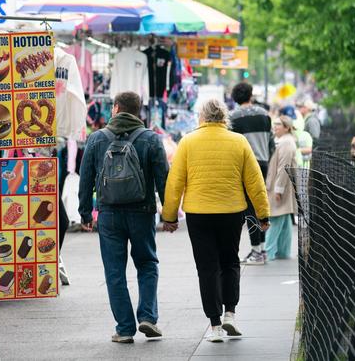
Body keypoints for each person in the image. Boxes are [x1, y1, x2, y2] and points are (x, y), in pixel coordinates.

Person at [162, 99, 270, 343]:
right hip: (232, 212)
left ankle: (215, 326)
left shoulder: (188, 142)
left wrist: (169, 217)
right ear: (224, 117)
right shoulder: (239, 141)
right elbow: (255, 183)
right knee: (230, 261)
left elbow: (175, 182)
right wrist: (262, 215)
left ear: (201, 117)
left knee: (207, 268)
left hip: (199, 214)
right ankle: (230, 313)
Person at [78, 91, 169, 343]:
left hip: (109, 215)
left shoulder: (97, 139)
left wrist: (86, 213)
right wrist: (169, 216)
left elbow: (85, 180)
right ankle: (148, 317)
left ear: (115, 108)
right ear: (138, 111)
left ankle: (125, 328)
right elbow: (164, 180)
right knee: (147, 264)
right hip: (142, 212)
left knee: (114, 271)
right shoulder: (151, 139)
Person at [229, 82, 274, 265]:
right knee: (261, 205)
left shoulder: (233, 117)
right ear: (250, 94)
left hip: (246, 166)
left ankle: (256, 251)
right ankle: (262, 249)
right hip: (263, 163)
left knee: (249, 209)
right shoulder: (264, 114)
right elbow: (271, 141)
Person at [264, 116, 298, 260]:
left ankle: (268, 252)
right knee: (283, 219)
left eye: (278, 125)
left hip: (281, 185)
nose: (275, 127)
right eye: (275, 125)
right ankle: (283, 251)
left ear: (287, 127)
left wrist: (278, 190)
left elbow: (283, 168)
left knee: (277, 217)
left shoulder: (286, 143)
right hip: (284, 184)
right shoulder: (286, 141)